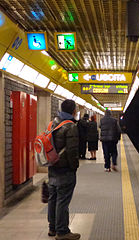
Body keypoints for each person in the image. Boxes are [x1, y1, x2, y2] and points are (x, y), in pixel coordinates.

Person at [48, 99, 81, 240]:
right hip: (65, 169)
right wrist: (74, 167)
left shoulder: (52, 123)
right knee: (62, 200)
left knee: (53, 197)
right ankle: (62, 232)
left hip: (52, 166)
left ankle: (52, 228)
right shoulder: (70, 126)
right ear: (73, 111)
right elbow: (72, 151)